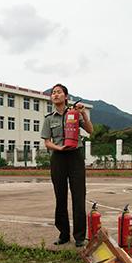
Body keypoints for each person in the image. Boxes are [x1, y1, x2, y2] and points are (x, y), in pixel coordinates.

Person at [41, 83, 93, 247]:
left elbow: (91, 130)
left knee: (79, 197)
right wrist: (59, 148)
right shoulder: (49, 119)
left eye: (59, 92)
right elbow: (47, 142)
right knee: (60, 197)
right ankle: (63, 234)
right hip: (58, 158)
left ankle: (79, 237)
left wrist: (83, 113)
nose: (55, 95)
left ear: (66, 97)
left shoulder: (74, 114)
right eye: (53, 93)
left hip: (75, 157)